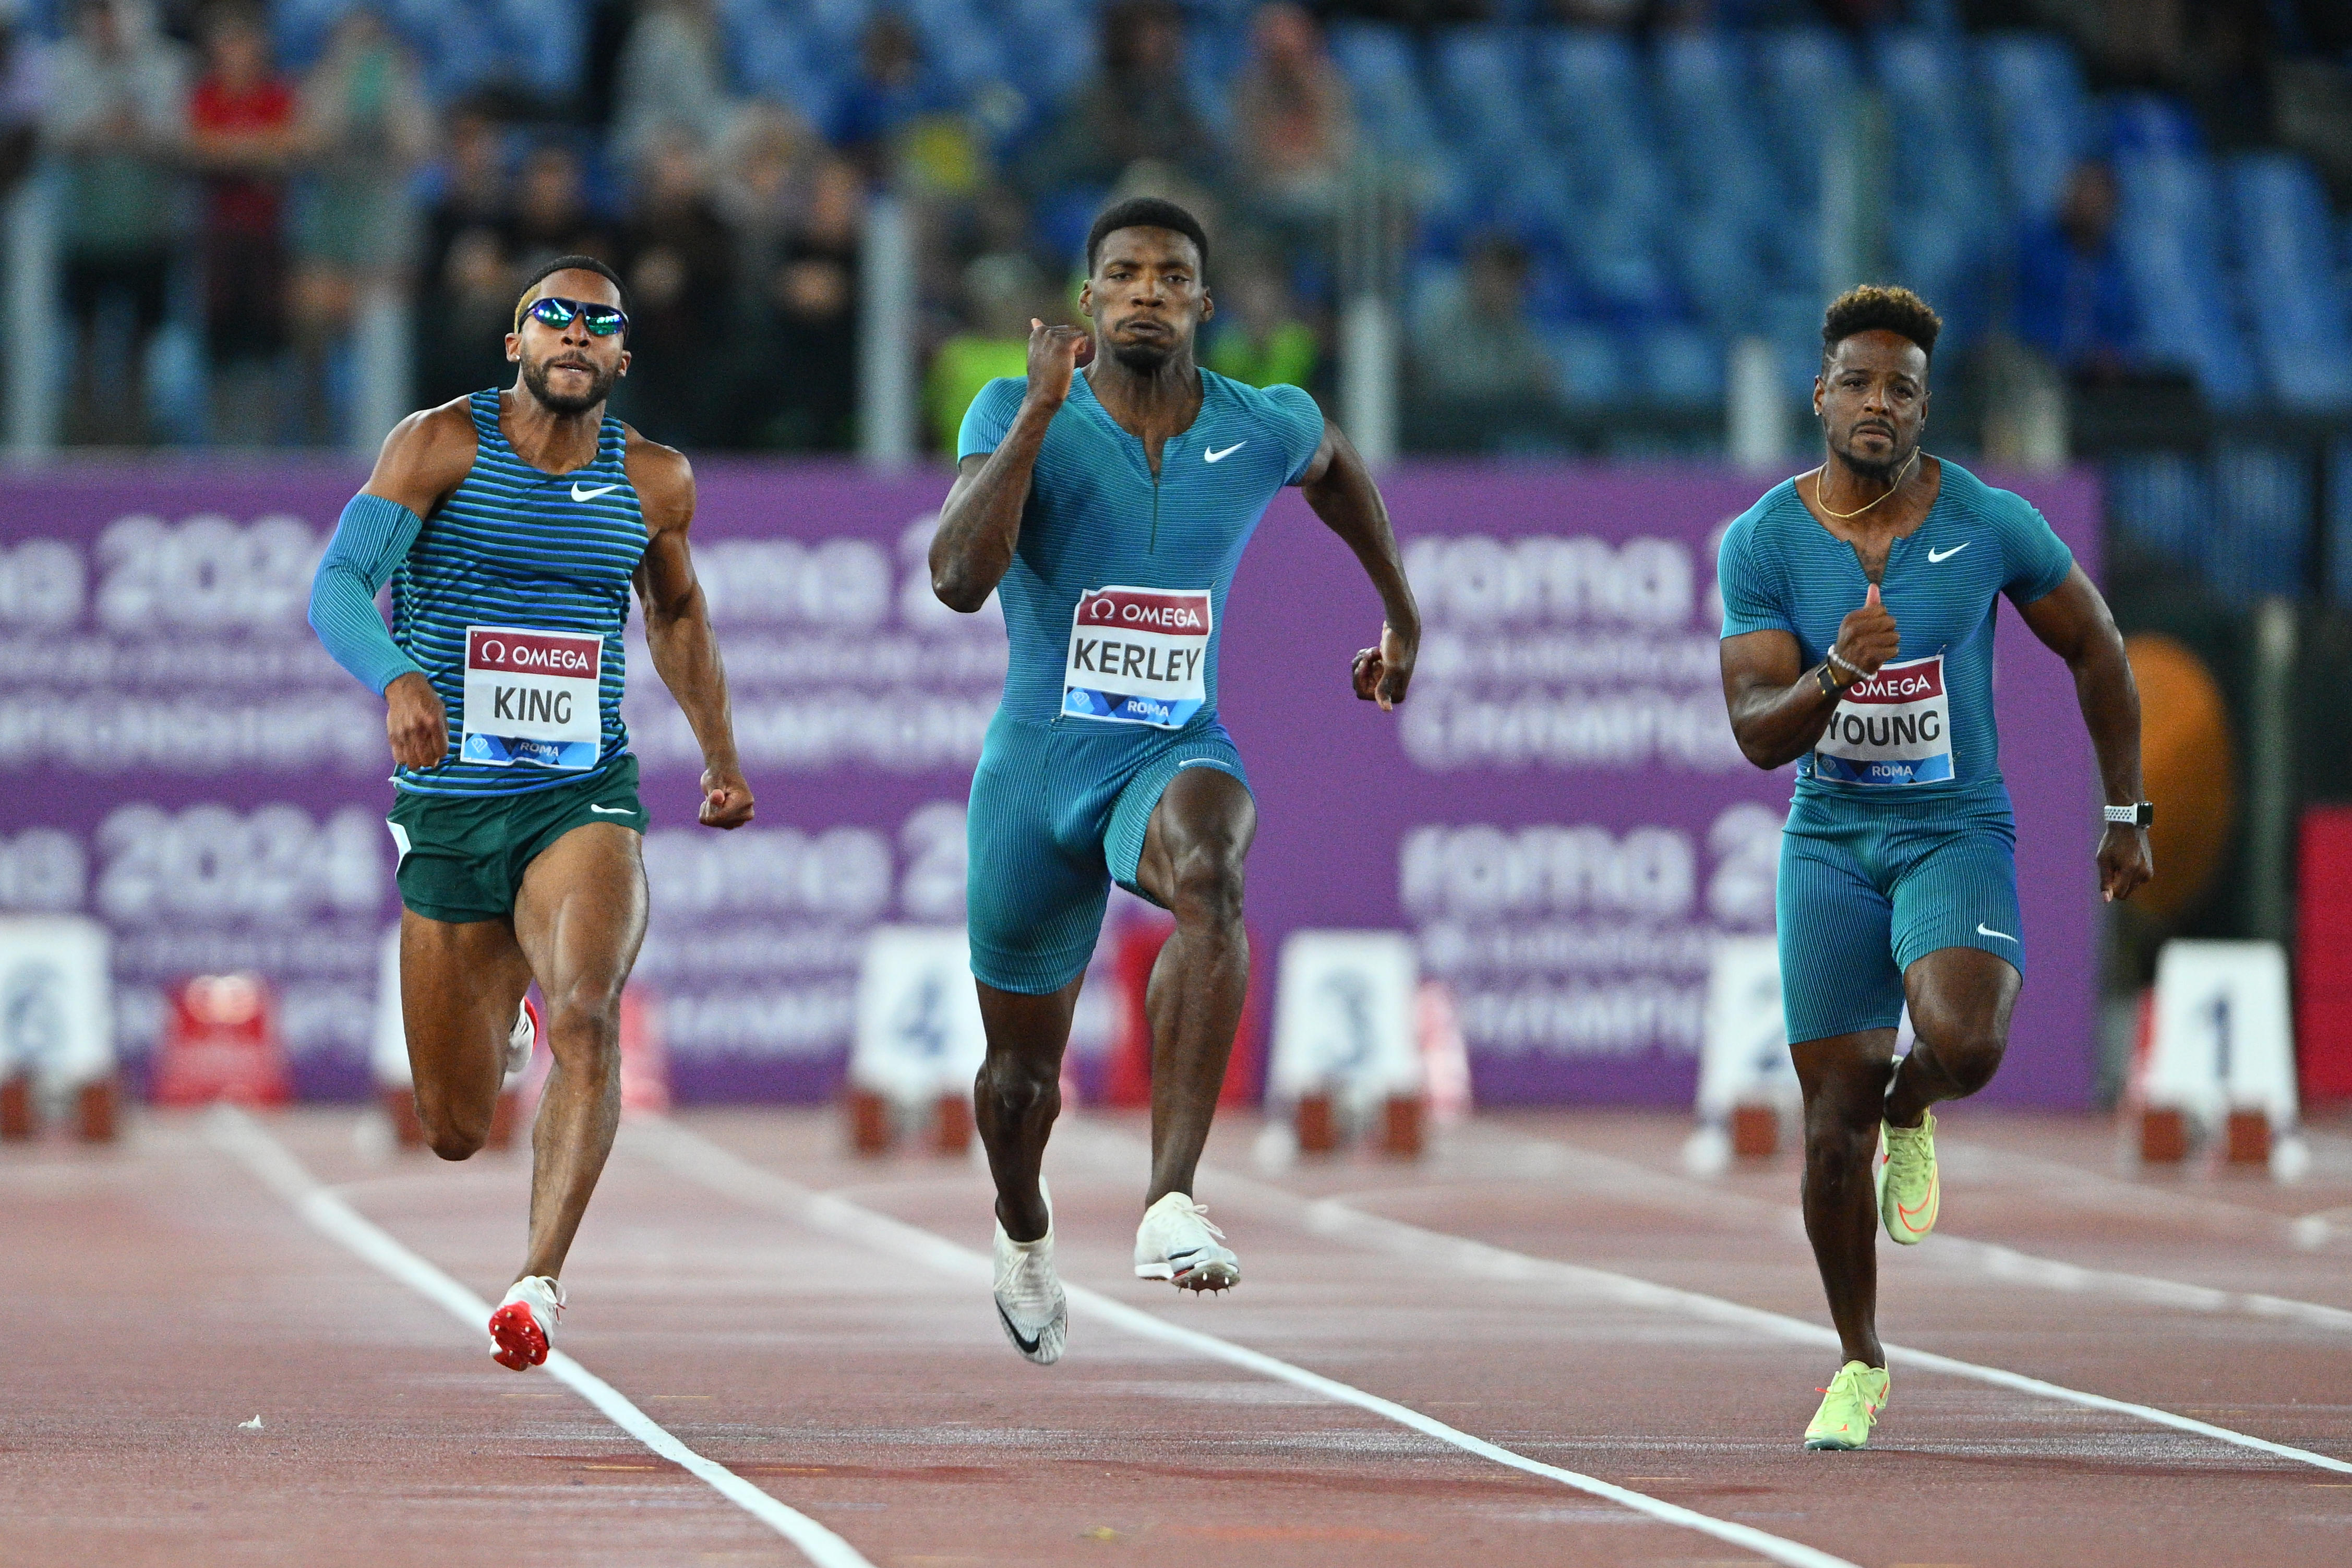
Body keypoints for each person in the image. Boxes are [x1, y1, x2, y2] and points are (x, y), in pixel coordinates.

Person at [930, 197, 1418, 1364]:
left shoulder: (1260, 425)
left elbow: (1336, 467)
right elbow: (955, 577)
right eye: (1124, 274)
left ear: (1204, 302)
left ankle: (1170, 1199)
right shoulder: (1014, 407)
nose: (1147, 291)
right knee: (1016, 1087)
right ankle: (1025, 1225)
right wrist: (1043, 410)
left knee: (1212, 869)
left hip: (1170, 747)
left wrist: (1398, 613)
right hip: (1036, 774)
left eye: (1170, 275)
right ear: (1088, 298)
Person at [1715, 285, 2151, 1450]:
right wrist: (1832, 681)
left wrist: (2123, 807)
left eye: (1899, 390)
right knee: (1824, 1127)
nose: (1876, 404)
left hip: (1953, 826)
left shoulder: (1988, 523)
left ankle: (1917, 1110)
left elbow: (2096, 643)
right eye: (1856, 382)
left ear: (1922, 407)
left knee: (1966, 1042)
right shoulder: (1762, 543)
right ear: (1819, 394)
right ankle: (1858, 1360)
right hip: (1830, 842)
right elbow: (1757, 734)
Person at [306, 254, 753, 1370]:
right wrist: (399, 678)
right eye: (549, 317)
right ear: (515, 344)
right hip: (454, 807)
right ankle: (501, 1006)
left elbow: (679, 616)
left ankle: (537, 1284)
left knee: (591, 1012)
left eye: (597, 324)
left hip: (581, 792)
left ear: (620, 356)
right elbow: (334, 585)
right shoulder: (438, 444)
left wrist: (719, 754)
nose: (573, 335)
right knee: (455, 1131)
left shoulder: (653, 480)